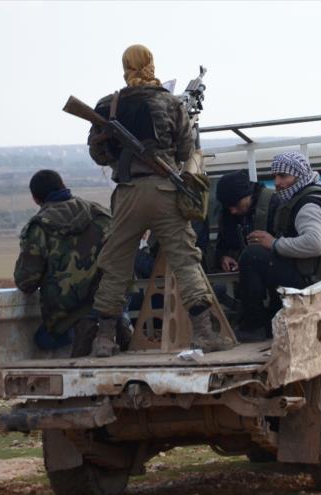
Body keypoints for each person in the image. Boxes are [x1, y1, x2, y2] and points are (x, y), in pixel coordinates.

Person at [86, 44, 230, 356]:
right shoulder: (169, 102)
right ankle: (204, 333)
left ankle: (105, 339)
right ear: (151, 64)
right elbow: (183, 152)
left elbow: (97, 153)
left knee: (116, 267)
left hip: (127, 194)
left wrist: (118, 154)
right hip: (165, 191)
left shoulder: (107, 105)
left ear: (125, 66)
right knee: (185, 260)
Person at [235, 152, 321, 339]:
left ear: (299, 176)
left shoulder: (309, 205)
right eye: (275, 176)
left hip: (314, 279)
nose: (277, 182)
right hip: (312, 273)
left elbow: (315, 244)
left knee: (253, 256)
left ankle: (253, 326)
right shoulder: (305, 197)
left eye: (283, 176)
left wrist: (273, 243)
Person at [14, 170, 112, 356]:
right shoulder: (100, 214)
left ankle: (77, 333)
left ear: (36, 199)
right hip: (109, 309)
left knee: (41, 340)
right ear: (63, 186)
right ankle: (115, 325)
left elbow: (26, 282)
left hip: (66, 318)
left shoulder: (39, 228)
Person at [215, 169, 275, 273]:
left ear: (248, 195)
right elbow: (221, 246)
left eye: (236, 204)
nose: (233, 211)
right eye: (228, 207)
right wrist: (223, 258)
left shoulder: (273, 205)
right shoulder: (227, 213)